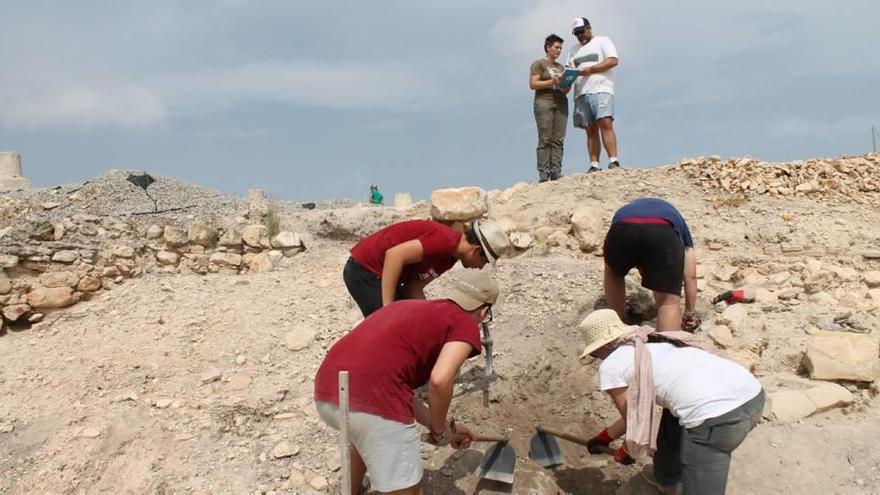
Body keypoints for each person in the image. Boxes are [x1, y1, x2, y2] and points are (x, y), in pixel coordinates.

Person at [314, 269, 499, 494]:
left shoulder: (406, 307)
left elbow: (396, 389)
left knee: (366, 438)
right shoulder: (464, 323)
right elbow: (440, 380)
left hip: (328, 392)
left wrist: (442, 427)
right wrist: (440, 431)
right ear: (484, 311)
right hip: (371, 402)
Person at [579, 309, 765, 495]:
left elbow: (635, 420)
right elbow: (638, 409)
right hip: (753, 396)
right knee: (671, 414)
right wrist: (605, 437)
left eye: (594, 355)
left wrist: (627, 451)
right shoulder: (652, 343)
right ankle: (666, 479)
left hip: (716, 420)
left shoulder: (610, 366)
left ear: (598, 349)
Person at [344, 219, 510, 317]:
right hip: (364, 270)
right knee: (389, 329)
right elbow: (394, 256)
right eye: (485, 262)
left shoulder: (449, 259)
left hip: (379, 276)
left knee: (412, 323)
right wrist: (387, 310)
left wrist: (430, 317)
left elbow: (413, 287)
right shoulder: (445, 240)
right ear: (477, 251)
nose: (481, 268)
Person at [603, 197, 699, 332]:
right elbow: (690, 275)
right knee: (668, 303)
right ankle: (667, 348)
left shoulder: (624, 211)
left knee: (613, 272)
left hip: (621, 230)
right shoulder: (676, 219)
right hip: (662, 232)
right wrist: (690, 311)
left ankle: (617, 323)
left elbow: (618, 257)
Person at [567, 16, 620, 173]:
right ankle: (594, 164)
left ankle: (613, 160)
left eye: (582, 31)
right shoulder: (573, 50)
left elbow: (613, 60)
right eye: (577, 33)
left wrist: (590, 70)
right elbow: (568, 69)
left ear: (589, 28)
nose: (580, 35)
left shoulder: (603, 41)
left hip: (601, 89)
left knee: (605, 123)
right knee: (589, 129)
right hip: (581, 93)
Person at [529, 33, 571, 182]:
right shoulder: (539, 64)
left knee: (558, 138)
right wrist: (552, 82)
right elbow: (533, 84)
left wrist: (567, 81)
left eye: (560, 48)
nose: (559, 50)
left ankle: (556, 171)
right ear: (548, 48)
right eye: (556, 47)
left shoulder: (561, 67)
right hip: (544, 101)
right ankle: (543, 172)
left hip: (561, 102)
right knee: (545, 137)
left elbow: (566, 90)